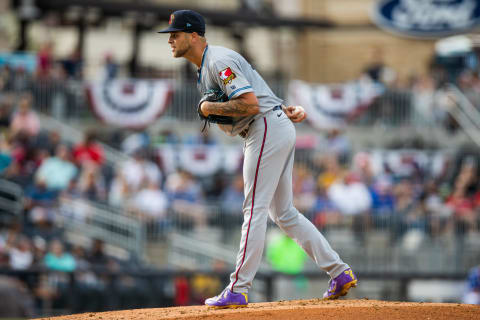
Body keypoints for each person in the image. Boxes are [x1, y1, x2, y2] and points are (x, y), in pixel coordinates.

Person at [158, 10, 357, 308]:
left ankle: (238, 287)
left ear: (194, 35)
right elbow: (257, 93)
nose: (170, 39)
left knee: (254, 209)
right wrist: (283, 109)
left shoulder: (218, 61)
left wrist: (210, 108)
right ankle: (339, 272)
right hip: (270, 125)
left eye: (176, 33)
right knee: (284, 213)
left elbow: (249, 103)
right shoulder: (211, 64)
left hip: (263, 128)